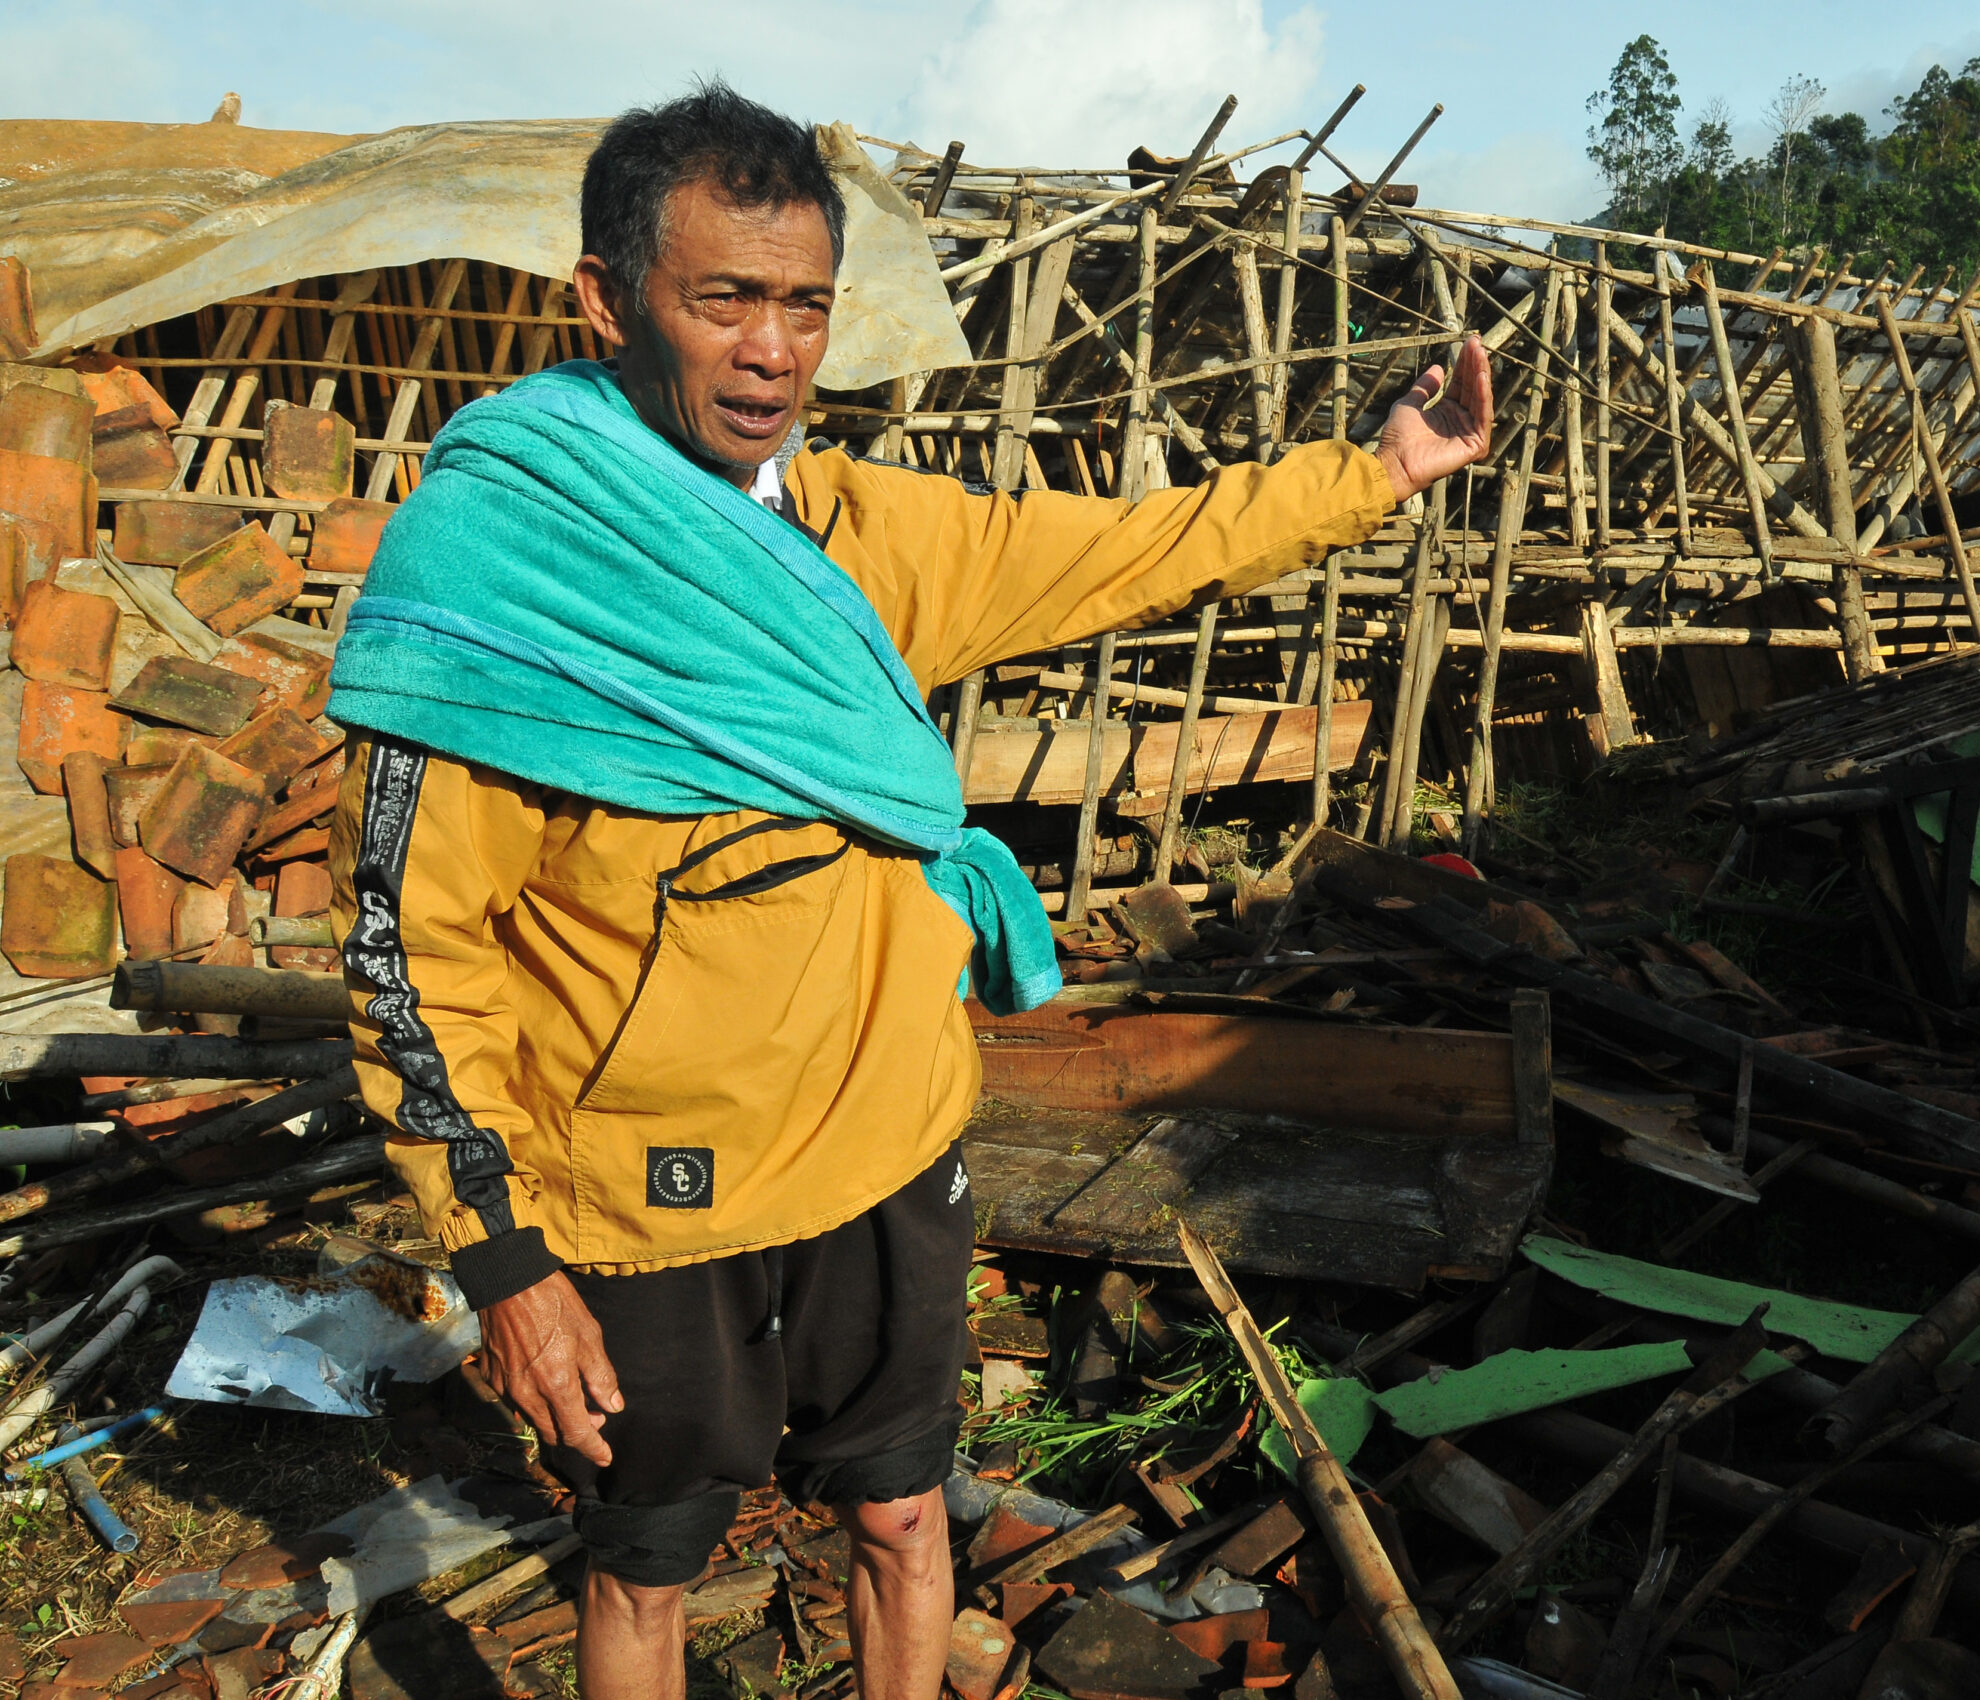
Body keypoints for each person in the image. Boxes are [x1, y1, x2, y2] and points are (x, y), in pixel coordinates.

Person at [325, 81, 1489, 1700]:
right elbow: (408, 954)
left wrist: (1375, 471)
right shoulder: (498, 585)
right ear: (605, 300)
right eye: (723, 296)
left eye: (803, 304)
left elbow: (1134, 545)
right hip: (655, 1193)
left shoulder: (862, 541)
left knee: (901, 1519)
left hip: (889, 1149)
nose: (772, 350)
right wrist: (506, 1267)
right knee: (646, 1570)